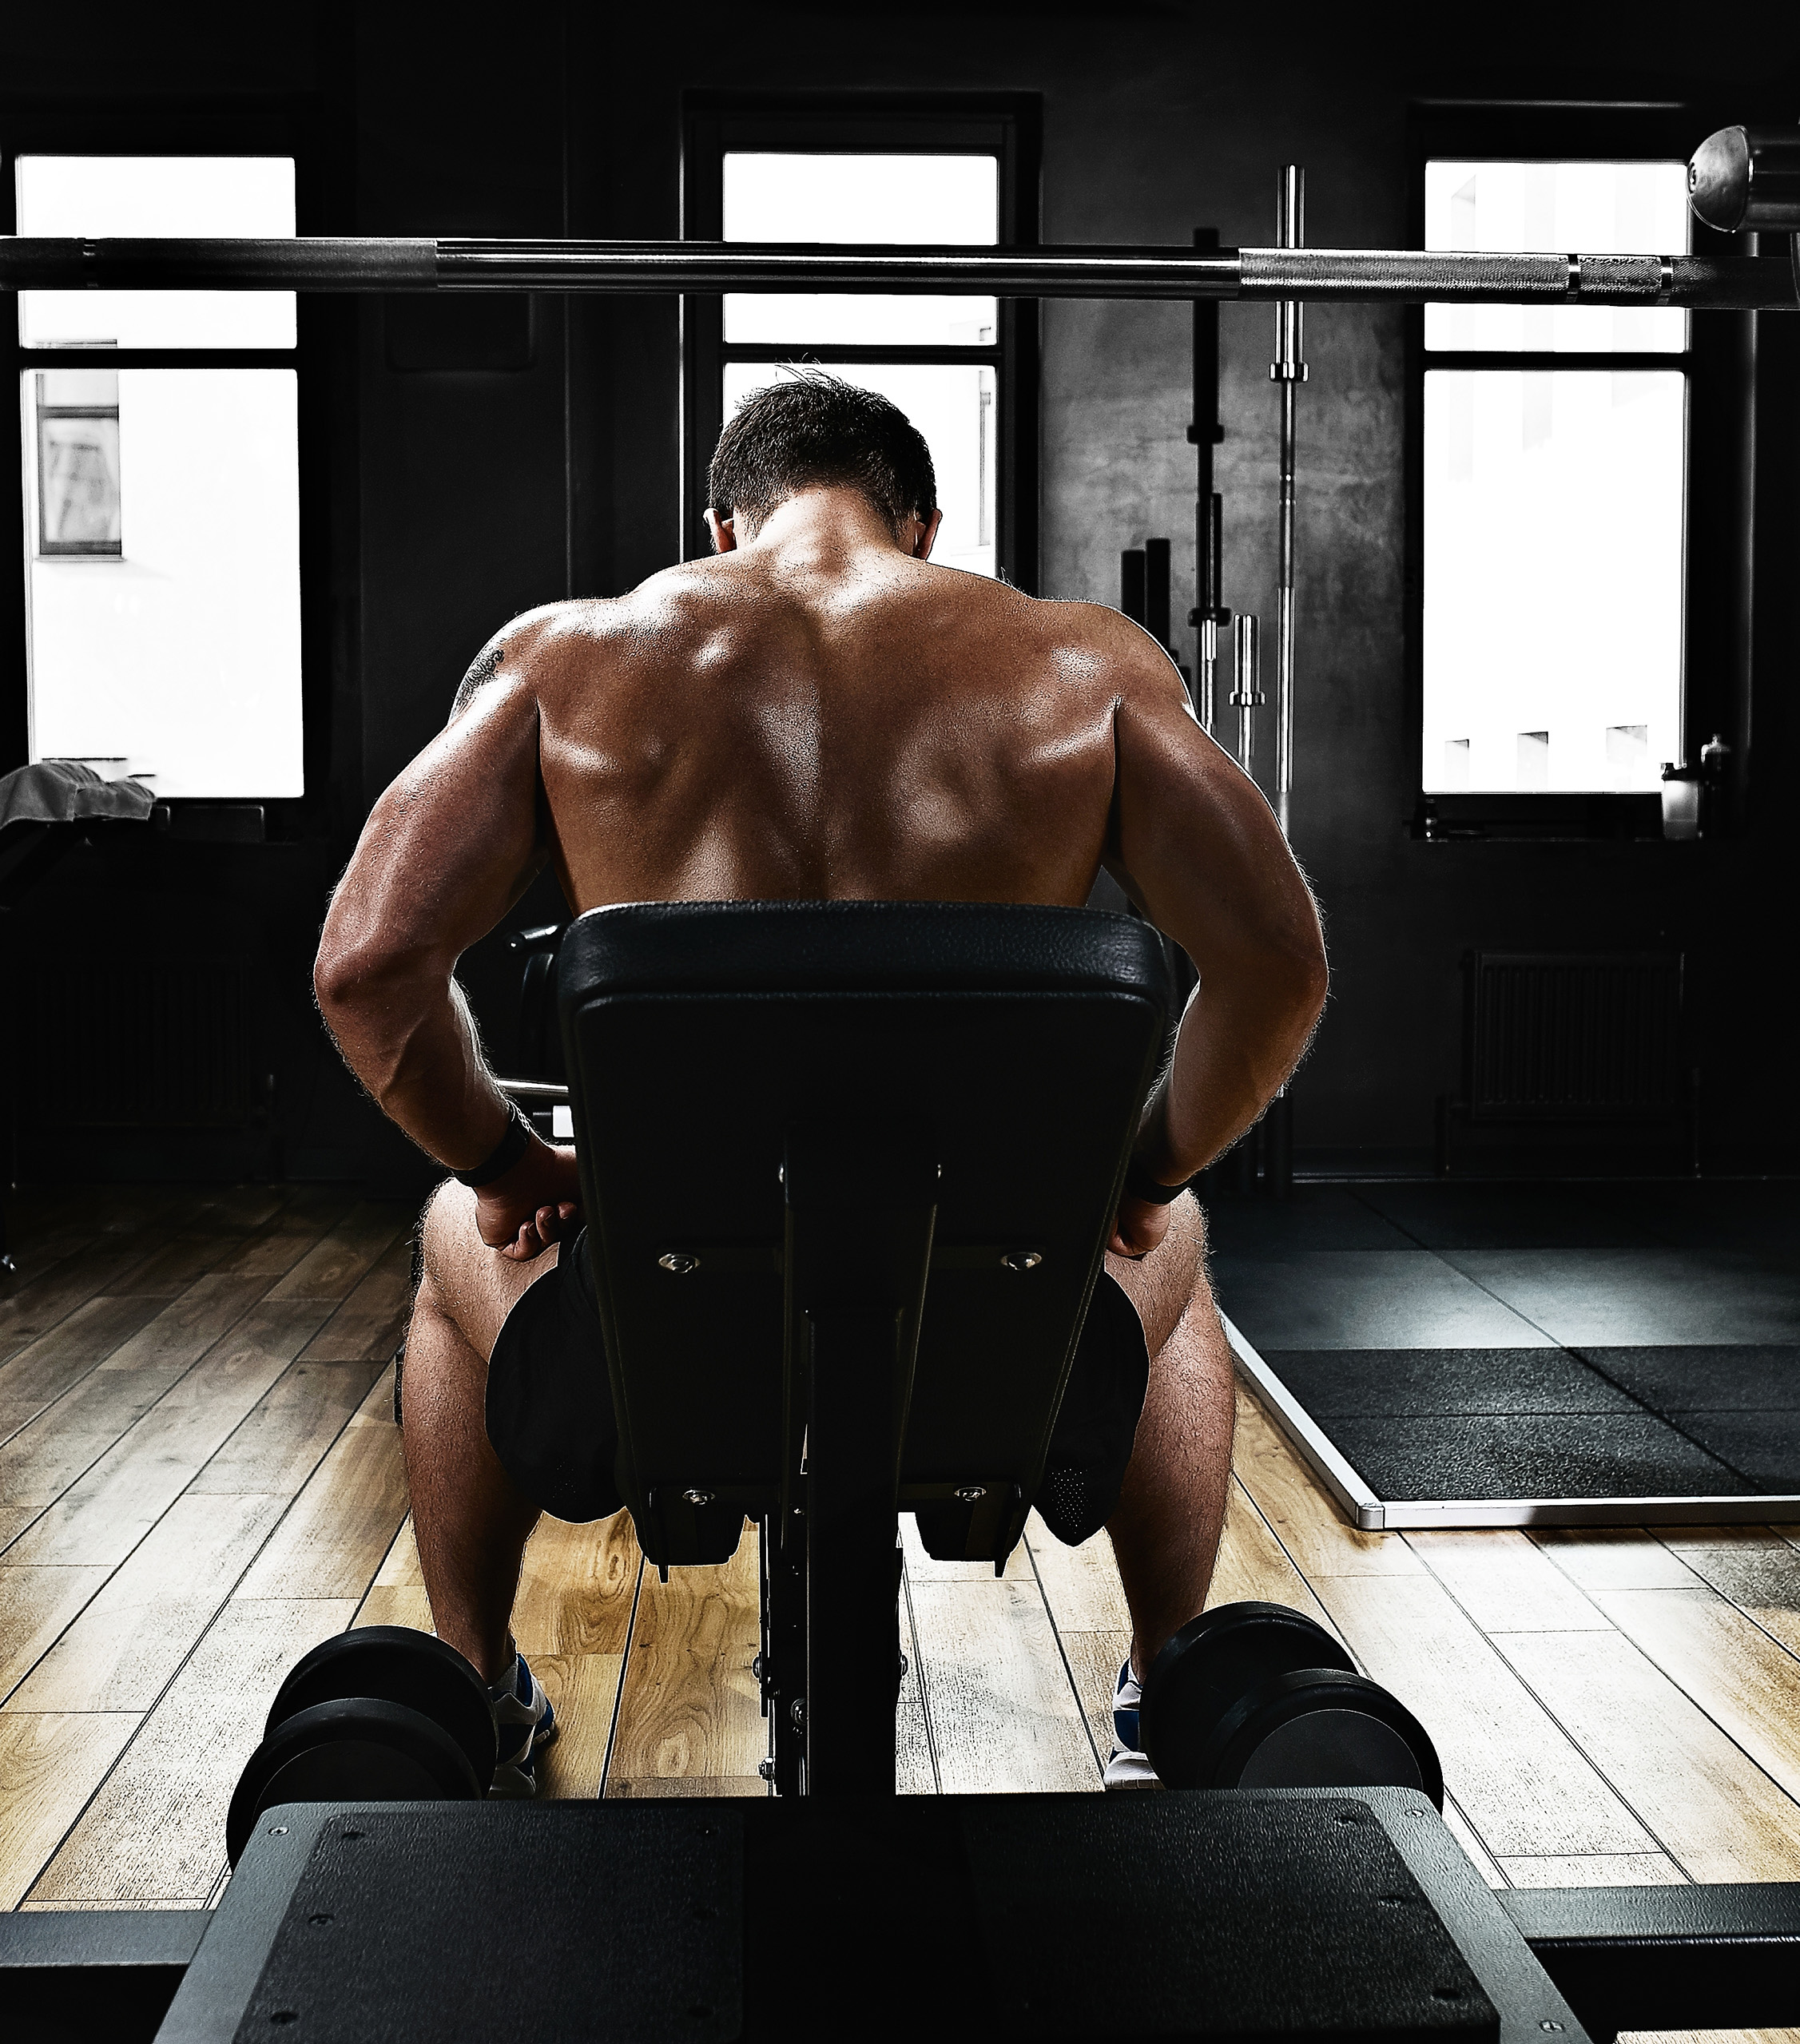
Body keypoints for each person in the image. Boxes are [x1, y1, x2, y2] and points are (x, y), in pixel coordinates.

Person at [313, 374, 1327, 1793]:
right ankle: (1175, 1692)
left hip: (659, 1351)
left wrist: (505, 1171)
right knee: (1186, 1253)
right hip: (999, 1344)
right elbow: (1278, 959)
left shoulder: (566, 661)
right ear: (920, 523)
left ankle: (474, 1689)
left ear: (723, 523)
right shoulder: (1084, 668)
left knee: (444, 1241)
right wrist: (1143, 1176)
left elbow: (365, 970)